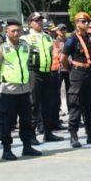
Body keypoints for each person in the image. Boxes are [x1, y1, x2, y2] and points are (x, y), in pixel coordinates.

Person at [0, 19, 41, 160]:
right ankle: (6, 150)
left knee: (26, 120)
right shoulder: (1, 48)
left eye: (18, 30)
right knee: (7, 122)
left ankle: (27, 146)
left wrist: (29, 85)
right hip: (8, 90)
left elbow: (29, 66)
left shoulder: (25, 45)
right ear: (7, 31)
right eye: (13, 30)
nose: (16, 33)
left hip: (24, 90)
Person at [62, 12, 91, 148]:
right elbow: (63, 58)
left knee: (90, 104)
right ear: (76, 23)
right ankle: (73, 135)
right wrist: (71, 69)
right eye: (83, 21)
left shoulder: (90, 38)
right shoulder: (72, 39)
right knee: (75, 104)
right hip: (78, 73)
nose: (86, 24)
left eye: (87, 21)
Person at [24, 13, 61, 142]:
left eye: (40, 20)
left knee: (47, 104)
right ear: (30, 23)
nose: (39, 22)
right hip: (34, 72)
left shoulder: (47, 37)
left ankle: (48, 132)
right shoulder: (26, 38)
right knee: (33, 104)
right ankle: (32, 134)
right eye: (36, 20)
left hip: (47, 72)